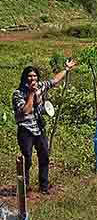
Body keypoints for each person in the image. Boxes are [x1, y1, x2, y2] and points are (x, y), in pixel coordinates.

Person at [12, 59, 77, 193]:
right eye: (30, 76)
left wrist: (66, 69)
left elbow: (54, 81)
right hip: (26, 129)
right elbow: (26, 111)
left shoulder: (41, 86)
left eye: (34, 76)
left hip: (39, 127)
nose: (32, 78)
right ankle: (24, 187)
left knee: (45, 156)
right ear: (25, 77)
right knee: (27, 159)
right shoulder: (18, 94)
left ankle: (44, 187)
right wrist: (31, 93)